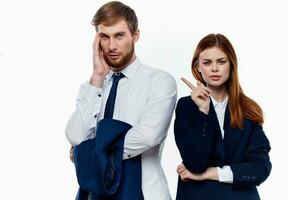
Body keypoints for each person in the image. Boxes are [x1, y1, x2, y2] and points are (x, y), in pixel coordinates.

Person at [65, 1, 176, 199]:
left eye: (119, 35)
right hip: (94, 192)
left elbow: (148, 136)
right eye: (104, 37)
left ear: (135, 35)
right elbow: (75, 135)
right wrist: (97, 76)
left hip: (142, 191)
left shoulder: (159, 81)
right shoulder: (95, 85)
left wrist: (88, 152)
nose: (111, 46)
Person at [174, 33, 271, 200]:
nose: (214, 69)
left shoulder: (248, 109)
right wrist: (203, 111)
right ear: (197, 66)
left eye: (221, 61)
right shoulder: (186, 106)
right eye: (207, 62)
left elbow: (260, 169)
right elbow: (194, 163)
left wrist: (212, 173)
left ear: (231, 64)